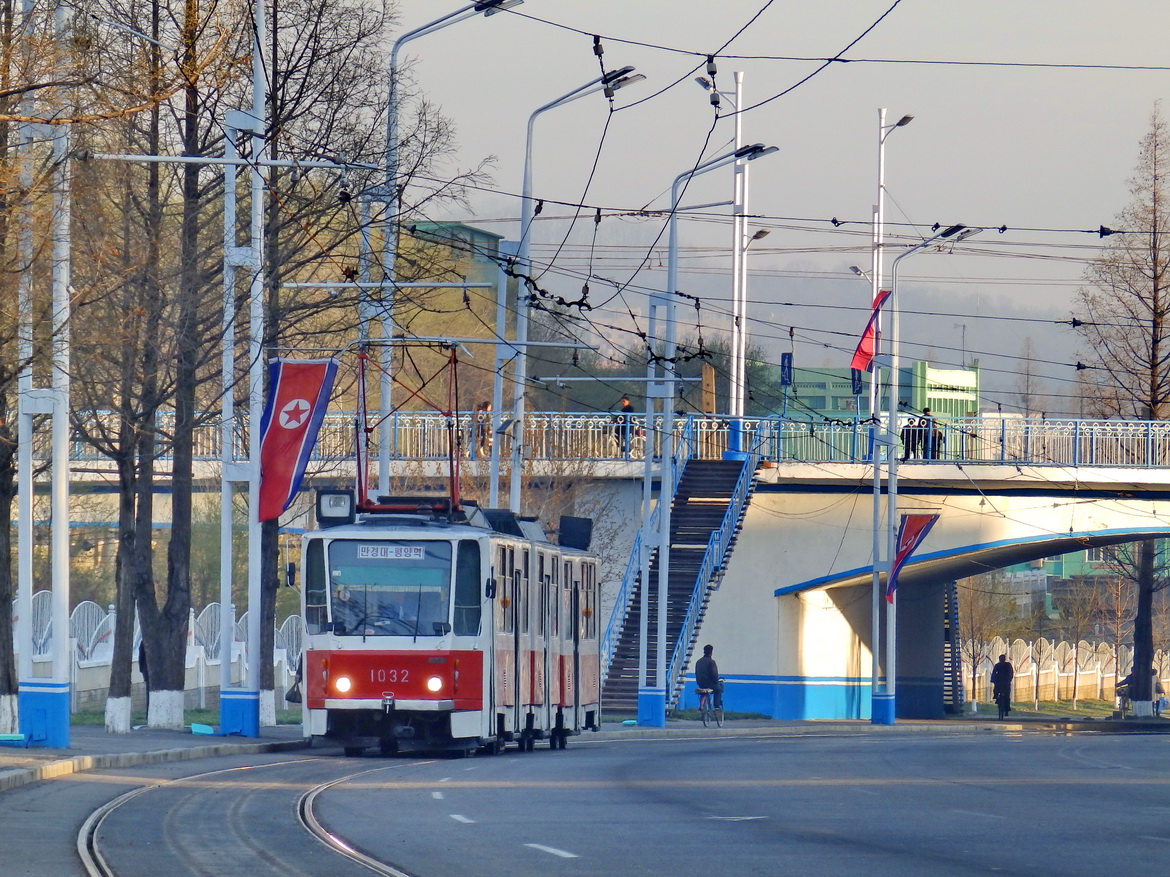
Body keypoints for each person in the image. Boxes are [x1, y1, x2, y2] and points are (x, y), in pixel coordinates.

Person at [695, 643, 722, 710]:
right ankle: (717, 706)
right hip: (709, 684)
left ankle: (702, 705)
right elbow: (714, 674)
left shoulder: (699, 661)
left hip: (700, 684)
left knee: (704, 691)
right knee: (718, 690)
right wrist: (716, 681)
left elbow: (696, 673)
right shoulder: (711, 662)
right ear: (711, 652)